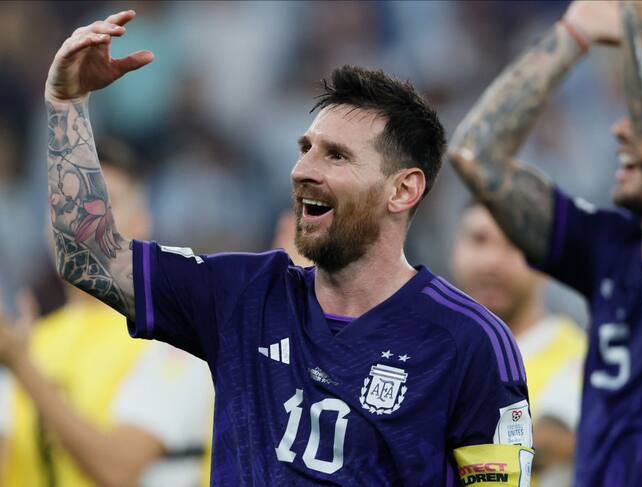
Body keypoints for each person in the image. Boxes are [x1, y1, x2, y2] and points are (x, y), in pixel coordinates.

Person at [42, 10, 534, 485]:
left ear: (402, 190)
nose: (302, 170)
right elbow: (89, 258)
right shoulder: (241, 295)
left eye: (336, 156)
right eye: (305, 149)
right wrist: (67, 105)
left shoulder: (469, 342)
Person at [447, 1, 642, 485]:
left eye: (638, 119)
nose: (618, 128)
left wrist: (636, 32)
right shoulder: (608, 248)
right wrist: (574, 34)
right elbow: (476, 156)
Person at [0, 138, 213, 487]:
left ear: (141, 223)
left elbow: (117, 470)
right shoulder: (29, 338)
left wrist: (21, 366)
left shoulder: (175, 337)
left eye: (102, 203)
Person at [451, 202, 586, 486]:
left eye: (514, 244)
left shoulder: (581, 357)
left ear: (547, 261)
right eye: (479, 240)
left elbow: (554, 442)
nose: (492, 261)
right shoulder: (422, 347)